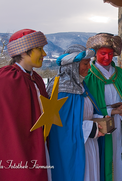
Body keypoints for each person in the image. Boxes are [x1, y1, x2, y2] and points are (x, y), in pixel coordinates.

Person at [47, 44, 105, 181]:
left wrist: (100, 119)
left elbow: (85, 111)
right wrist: (91, 128)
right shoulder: (60, 88)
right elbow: (62, 127)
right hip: (73, 149)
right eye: (85, 63)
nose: (89, 67)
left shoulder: (80, 85)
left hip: (88, 144)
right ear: (72, 65)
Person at [84, 33, 122, 181]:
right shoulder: (89, 76)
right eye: (103, 54)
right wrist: (111, 111)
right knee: (106, 162)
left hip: (121, 125)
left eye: (110, 54)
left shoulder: (120, 74)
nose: (107, 58)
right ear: (95, 54)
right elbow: (89, 109)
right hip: (103, 129)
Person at [0, 29, 50, 180]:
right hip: (14, 148)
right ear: (23, 52)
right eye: (39, 49)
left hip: (39, 145)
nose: (44, 54)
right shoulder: (6, 79)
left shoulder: (37, 78)